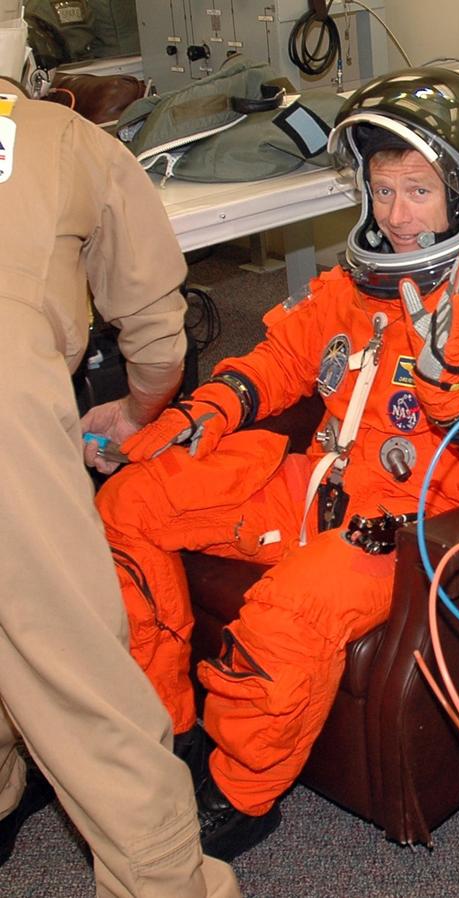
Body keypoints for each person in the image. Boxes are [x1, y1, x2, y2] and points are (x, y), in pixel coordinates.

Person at [95, 66, 459, 858]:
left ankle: (242, 794)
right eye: (383, 191)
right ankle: (170, 727)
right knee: (130, 504)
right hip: (313, 486)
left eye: (419, 192)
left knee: (288, 615)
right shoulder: (359, 281)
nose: (396, 217)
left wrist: (456, 396)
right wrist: (213, 407)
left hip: (407, 531)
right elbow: (284, 353)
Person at [0, 62, 240, 898]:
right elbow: (154, 324)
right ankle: (167, 883)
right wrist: (141, 409)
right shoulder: (63, 138)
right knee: (77, 664)